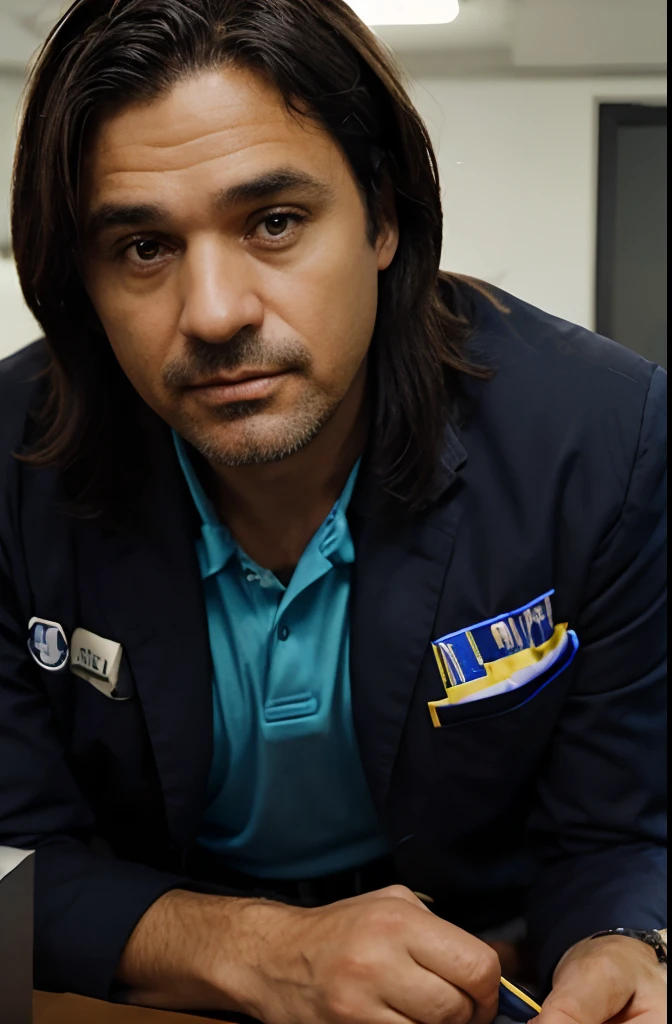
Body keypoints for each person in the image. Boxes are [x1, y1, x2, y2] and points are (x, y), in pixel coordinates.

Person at [0, 1, 666, 1021]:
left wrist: (623, 943)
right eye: (142, 246)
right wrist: (254, 946)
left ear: (383, 215)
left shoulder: (602, 438)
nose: (215, 311)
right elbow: (10, 862)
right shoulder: (9, 463)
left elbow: (619, 829)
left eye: (273, 222)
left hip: (482, 972)